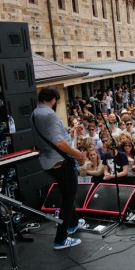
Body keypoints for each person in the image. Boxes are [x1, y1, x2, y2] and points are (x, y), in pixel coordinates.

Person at [31, 87, 86, 250]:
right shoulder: (50, 114)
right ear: (54, 100)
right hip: (60, 162)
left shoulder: (35, 113)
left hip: (47, 161)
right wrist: (79, 155)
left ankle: (73, 223)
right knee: (68, 200)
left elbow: (50, 136)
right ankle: (61, 239)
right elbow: (59, 143)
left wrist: (70, 131)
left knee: (67, 194)